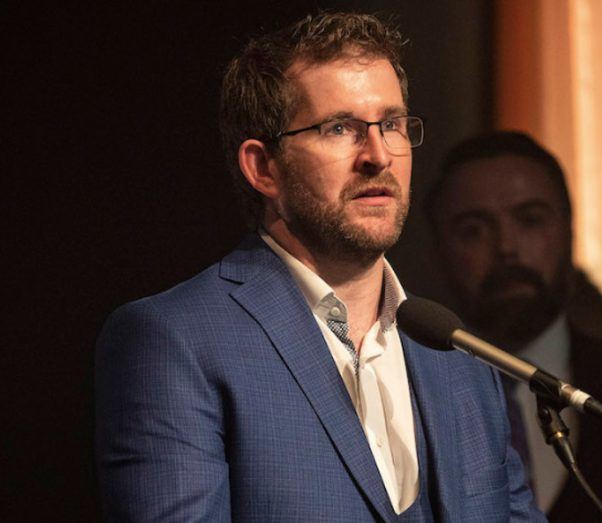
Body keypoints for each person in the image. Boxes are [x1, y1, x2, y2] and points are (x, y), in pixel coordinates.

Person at [94, 14, 545, 521]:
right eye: (340, 129)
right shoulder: (176, 340)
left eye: (392, 124)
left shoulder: (461, 355)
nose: (378, 156)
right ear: (263, 168)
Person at [425, 130, 602, 522]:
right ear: (440, 250)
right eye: (473, 229)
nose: (506, 247)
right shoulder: (409, 398)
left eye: (530, 220)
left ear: (569, 230)